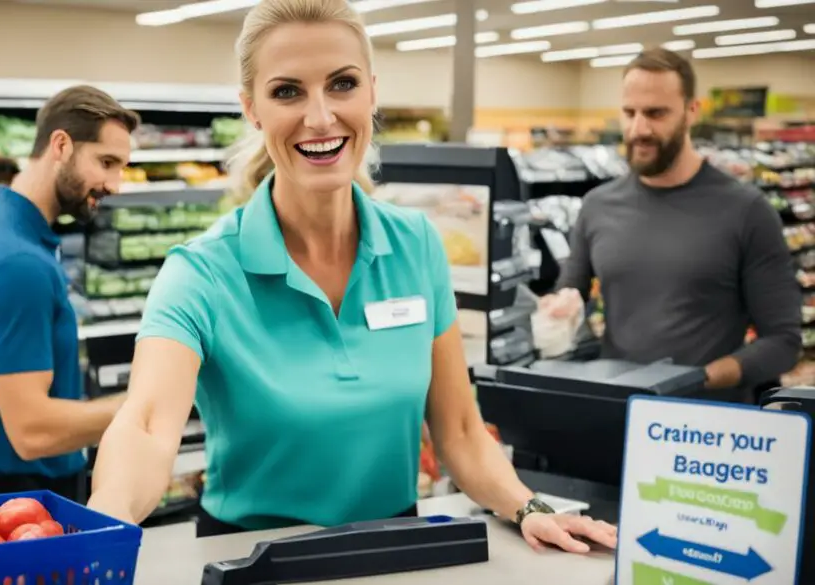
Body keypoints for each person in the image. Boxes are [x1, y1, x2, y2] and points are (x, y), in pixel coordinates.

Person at [88, 0, 617, 553]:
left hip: (394, 551)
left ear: (371, 92)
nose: (319, 117)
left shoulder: (416, 246)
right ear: (252, 109)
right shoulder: (201, 272)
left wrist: (528, 506)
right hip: (252, 559)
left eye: (342, 84)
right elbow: (146, 425)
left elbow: (460, 431)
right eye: (287, 91)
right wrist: (101, 527)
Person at [541, 48, 801, 404]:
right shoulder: (598, 205)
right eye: (629, 113)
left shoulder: (746, 211)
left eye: (656, 113)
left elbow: (783, 343)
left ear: (691, 112)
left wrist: (694, 380)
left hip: (706, 428)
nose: (638, 129)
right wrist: (561, 308)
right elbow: (571, 287)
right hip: (618, 412)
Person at [0, 85, 138, 500]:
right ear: (61, 145)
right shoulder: (20, 263)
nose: (115, 185)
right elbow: (33, 431)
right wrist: (152, 404)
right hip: (28, 506)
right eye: (107, 162)